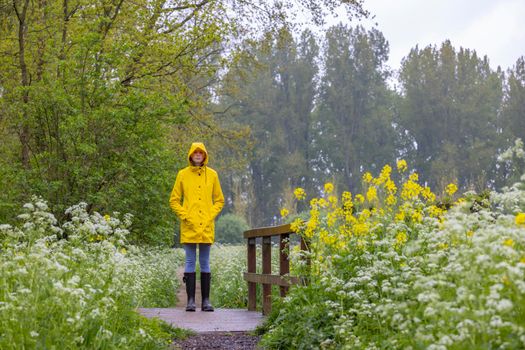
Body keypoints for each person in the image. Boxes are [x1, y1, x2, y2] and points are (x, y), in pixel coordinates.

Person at [169, 142, 224, 312]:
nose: (198, 155)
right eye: (195, 152)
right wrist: (185, 216)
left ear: (205, 155)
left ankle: (206, 301)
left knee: (205, 261)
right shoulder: (182, 175)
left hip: (206, 226)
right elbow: (174, 200)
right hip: (189, 226)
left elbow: (219, 200)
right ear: (191, 155)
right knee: (190, 261)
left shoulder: (213, 175)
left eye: (201, 152)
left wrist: (209, 216)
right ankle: (191, 301)